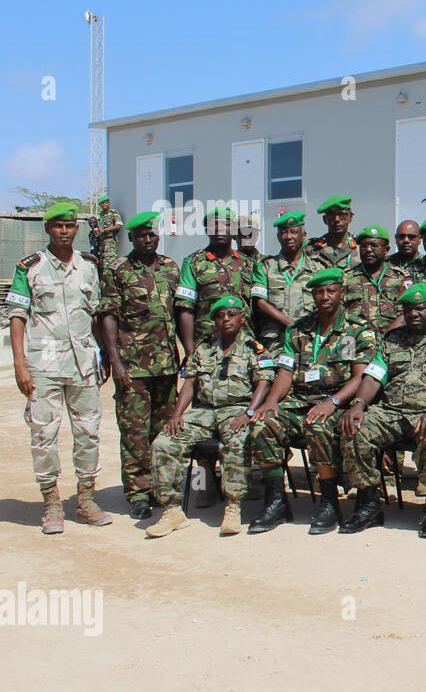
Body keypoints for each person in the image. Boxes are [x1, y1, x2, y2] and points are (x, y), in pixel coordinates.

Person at [6, 201, 112, 533]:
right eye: (57, 226)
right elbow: (17, 317)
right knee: (44, 436)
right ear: (48, 229)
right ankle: (51, 504)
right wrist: (20, 366)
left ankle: (85, 500)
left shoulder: (88, 266)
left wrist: (105, 355)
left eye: (69, 226)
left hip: (82, 364)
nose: (64, 231)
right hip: (44, 366)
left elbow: (95, 315)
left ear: (76, 230)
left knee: (88, 434)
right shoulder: (30, 267)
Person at [247, 268, 378, 534]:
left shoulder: (357, 330)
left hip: (336, 403)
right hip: (298, 402)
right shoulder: (298, 329)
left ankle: (329, 502)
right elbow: (285, 371)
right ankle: (276, 501)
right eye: (319, 292)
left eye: (330, 291)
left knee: (318, 427)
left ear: (342, 293)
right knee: (263, 425)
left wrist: (332, 402)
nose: (324, 297)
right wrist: (271, 401)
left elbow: (360, 376)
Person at [338, 283, 426, 538]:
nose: (413, 315)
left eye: (420, 309)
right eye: (408, 310)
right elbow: (374, 377)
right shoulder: (392, 340)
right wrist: (358, 404)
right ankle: (368, 504)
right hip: (393, 411)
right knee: (356, 428)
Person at [145, 297, 275, 538]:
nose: (226, 319)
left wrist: (248, 413)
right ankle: (172, 509)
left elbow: (264, 382)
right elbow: (190, 383)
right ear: (214, 321)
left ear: (242, 318)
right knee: (165, 441)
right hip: (204, 411)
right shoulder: (203, 348)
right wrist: (176, 414)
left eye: (232, 314)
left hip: (236, 410)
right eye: (220, 315)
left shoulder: (254, 348)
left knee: (236, 440)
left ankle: (233, 506)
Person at [98, 210, 181, 519]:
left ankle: (161, 487)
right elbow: (108, 315)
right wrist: (115, 361)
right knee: (134, 431)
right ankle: (138, 492)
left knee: (163, 430)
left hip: (166, 366)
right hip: (134, 366)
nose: (149, 239)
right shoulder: (119, 270)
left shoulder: (171, 268)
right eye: (143, 235)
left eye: (153, 234)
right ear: (131, 238)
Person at [176, 205, 256, 358]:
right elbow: (185, 309)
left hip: (243, 346)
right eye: (214, 225)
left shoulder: (248, 263)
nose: (220, 229)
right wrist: (189, 351)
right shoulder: (193, 262)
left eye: (226, 225)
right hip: (207, 346)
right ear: (207, 230)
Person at [251, 211, 325, 349]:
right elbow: (260, 302)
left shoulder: (318, 268)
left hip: (308, 339)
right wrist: (289, 322)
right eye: (284, 232)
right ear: (279, 236)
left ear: (304, 236)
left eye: (294, 232)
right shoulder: (266, 266)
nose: (289, 236)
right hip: (275, 342)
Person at [342, 225, 414, 332]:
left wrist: (384, 338)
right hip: (357, 340)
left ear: (386, 250)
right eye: (364, 246)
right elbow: (340, 313)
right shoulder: (347, 277)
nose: (368, 250)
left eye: (374, 246)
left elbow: (407, 313)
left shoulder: (401, 278)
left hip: (391, 341)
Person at [306, 195, 361, 268]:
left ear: (350, 218)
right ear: (325, 219)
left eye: (342, 214)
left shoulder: (360, 248)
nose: (336, 219)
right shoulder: (311, 249)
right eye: (331, 215)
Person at [91, 194, 124, 266]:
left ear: (108, 202)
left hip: (110, 242)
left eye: (105, 202)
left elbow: (119, 225)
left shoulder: (113, 213)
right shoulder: (101, 215)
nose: (103, 205)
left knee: (109, 263)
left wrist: (105, 230)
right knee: (102, 264)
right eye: (102, 204)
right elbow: (100, 227)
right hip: (102, 242)